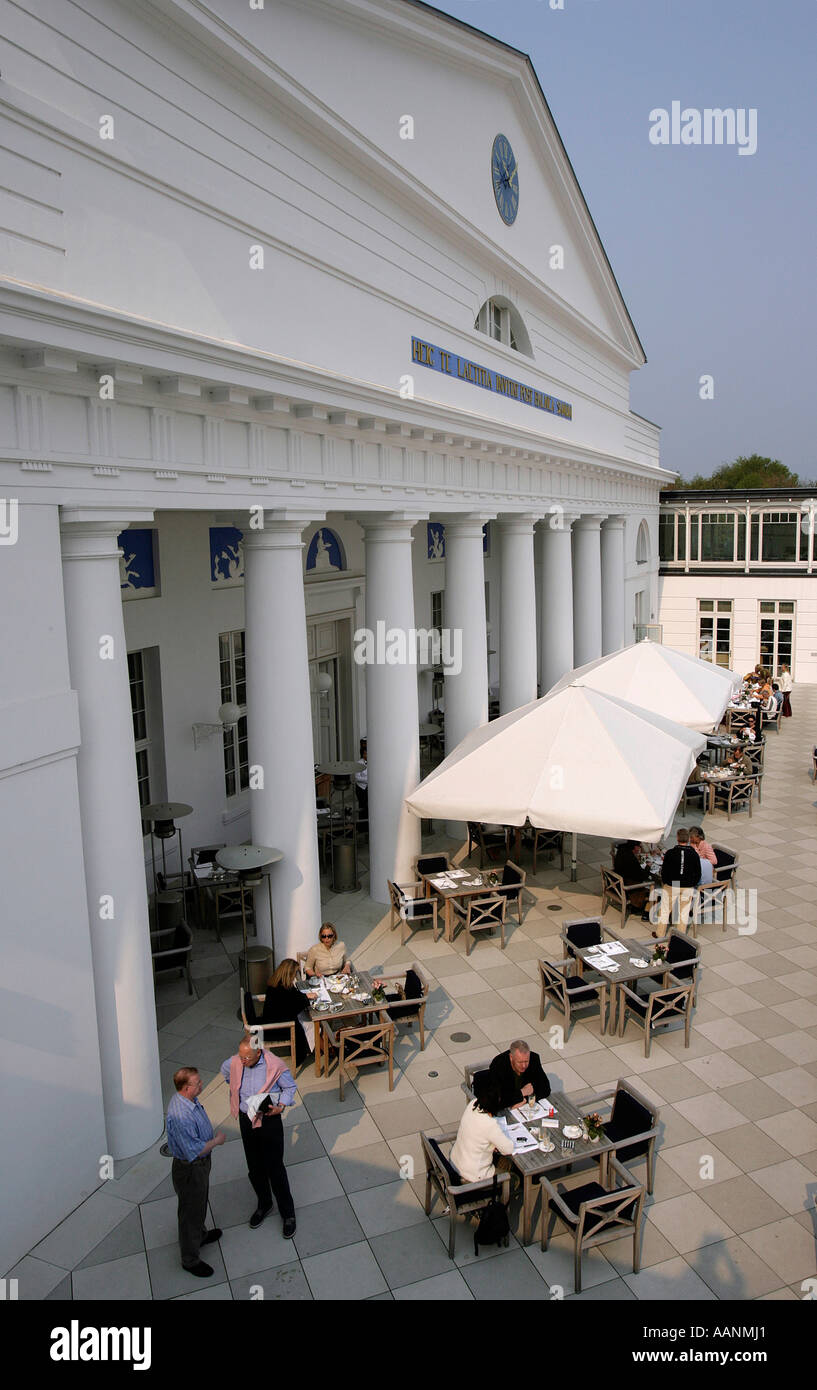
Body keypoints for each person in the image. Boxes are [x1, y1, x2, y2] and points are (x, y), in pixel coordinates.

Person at [220, 1035, 297, 1238]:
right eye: (241, 1056)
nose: (242, 1061)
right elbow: (226, 1073)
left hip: (269, 1120)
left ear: (258, 1052)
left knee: (275, 1168)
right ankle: (264, 1203)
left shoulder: (275, 1065)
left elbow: (290, 1088)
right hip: (246, 1120)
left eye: (247, 1058)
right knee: (254, 1167)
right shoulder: (235, 1062)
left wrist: (280, 1106)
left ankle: (288, 1214)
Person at [165, 1066, 226, 1277]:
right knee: (191, 1211)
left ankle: (200, 1235)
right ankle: (190, 1259)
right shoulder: (181, 1115)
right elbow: (194, 1151)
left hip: (199, 1166)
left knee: (199, 1204)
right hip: (191, 1169)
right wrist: (216, 1141)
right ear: (185, 1087)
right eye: (197, 1083)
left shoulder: (188, 1100)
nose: (201, 1085)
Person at [248, 958, 315, 1066]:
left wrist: (305, 997)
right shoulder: (283, 989)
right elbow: (292, 1007)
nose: (295, 976)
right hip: (276, 1029)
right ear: (289, 973)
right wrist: (306, 999)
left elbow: (292, 1000)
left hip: (270, 1019)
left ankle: (318, 1046)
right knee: (310, 1023)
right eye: (295, 973)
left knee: (305, 1020)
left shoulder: (276, 983)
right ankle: (319, 1050)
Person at [450, 1072, 515, 1183]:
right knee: (514, 1177)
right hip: (474, 1176)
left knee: (505, 1162)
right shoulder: (490, 1125)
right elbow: (508, 1149)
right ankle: (504, 1198)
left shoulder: (473, 1104)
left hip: (457, 1163)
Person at [489, 1039, 551, 1110]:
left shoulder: (534, 1059)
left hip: (523, 1107)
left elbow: (546, 1089)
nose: (524, 1066)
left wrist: (525, 1100)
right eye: (520, 1062)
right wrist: (522, 1092)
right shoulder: (498, 1065)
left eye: (526, 1061)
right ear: (511, 1057)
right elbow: (497, 1100)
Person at [659, 827, 701, 931]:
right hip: (687, 884)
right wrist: (692, 883)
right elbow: (698, 872)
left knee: (665, 909)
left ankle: (660, 933)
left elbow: (664, 870)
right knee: (684, 912)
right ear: (688, 839)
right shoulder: (694, 854)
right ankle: (680, 935)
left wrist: (666, 882)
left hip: (673, 883)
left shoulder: (670, 853)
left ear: (677, 838)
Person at [613, 839, 652, 918]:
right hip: (627, 887)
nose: (640, 849)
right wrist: (648, 866)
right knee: (653, 885)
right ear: (635, 847)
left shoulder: (621, 851)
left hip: (618, 882)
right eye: (639, 847)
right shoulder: (631, 860)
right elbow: (642, 876)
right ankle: (647, 912)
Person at [355, 738, 368, 822]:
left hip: (369, 788)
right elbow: (357, 778)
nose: (367, 755)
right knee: (362, 806)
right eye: (366, 753)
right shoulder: (359, 763)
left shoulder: (373, 762)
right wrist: (367, 780)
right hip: (361, 788)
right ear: (363, 754)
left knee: (368, 806)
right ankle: (361, 825)